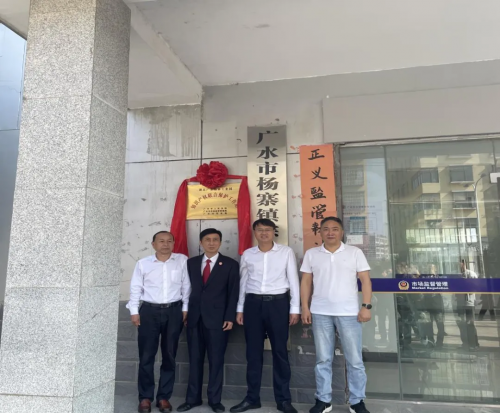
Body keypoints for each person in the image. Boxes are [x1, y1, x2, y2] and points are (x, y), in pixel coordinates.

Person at [300, 217, 372, 413]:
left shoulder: (354, 252)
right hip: (320, 312)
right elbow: (306, 281)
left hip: (349, 313)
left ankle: (357, 401)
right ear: (320, 232)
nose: (330, 232)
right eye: (326, 229)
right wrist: (305, 307)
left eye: (335, 229)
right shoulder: (312, 254)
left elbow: (365, 280)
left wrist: (366, 306)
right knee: (323, 359)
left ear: (342, 232)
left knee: (354, 360)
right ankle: (323, 400)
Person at [230, 219, 300, 413]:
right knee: (253, 353)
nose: (264, 233)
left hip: (278, 304)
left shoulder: (285, 252)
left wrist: (295, 308)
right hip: (253, 305)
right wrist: (240, 308)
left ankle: (283, 400)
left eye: (267, 230)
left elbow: (293, 280)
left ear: (273, 232)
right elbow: (243, 282)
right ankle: (252, 398)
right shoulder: (248, 254)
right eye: (259, 230)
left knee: (280, 352)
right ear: (254, 232)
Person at [127, 231, 191, 413]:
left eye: (169, 241)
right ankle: (145, 397)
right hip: (149, 311)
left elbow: (186, 286)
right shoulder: (143, 263)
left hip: (174, 311)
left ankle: (163, 397)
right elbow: (135, 287)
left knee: (169, 355)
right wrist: (134, 311)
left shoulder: (182, 261)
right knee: (146, 356)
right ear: (153, 244)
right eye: (161, 241)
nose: (165, 244)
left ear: (173, 243)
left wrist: (185, 308)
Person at [178, 228, 240, 413]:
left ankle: (214, 400)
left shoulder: (230, 264)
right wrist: (186, 312)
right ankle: (192, 399)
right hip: (194, 319)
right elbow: (185, 289)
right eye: (207, 240)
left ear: (220, 242)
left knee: (216, 361)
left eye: (215, 240)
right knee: (194, 360)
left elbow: (233, 293)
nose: (211, 243)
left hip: (218, 321)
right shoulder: (191, 263)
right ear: (201, 242)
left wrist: (229, 317)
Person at [456, 260, 479, 351]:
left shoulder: (471, 274)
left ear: (465, 264)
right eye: (459, 265)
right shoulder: (457, 276)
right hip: (460, 303)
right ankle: (465, 343)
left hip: (469, 303)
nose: (461, 267)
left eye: (462, 265)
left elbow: (475, 287)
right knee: (461, 323)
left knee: (470, 323)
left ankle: (474, 343)